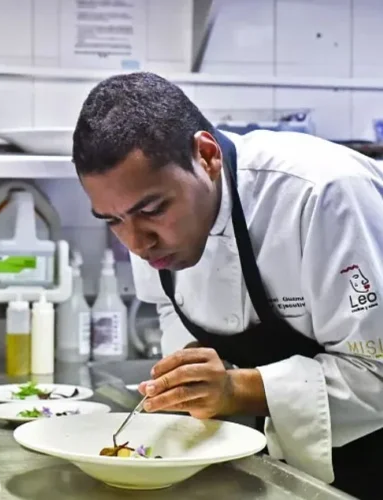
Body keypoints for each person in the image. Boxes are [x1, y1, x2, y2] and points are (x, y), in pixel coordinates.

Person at [73, 71, 383, 500]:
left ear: (206, 155)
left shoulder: (321, 194)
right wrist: (187, 379)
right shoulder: (143, 225)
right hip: (281, 463)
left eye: (154, 209)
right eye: (112, 220)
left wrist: (236, 390)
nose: (137, 243)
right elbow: (169, 305)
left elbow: (377, 373)